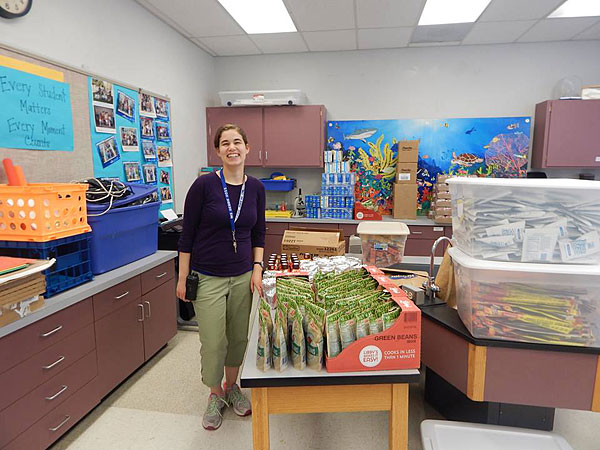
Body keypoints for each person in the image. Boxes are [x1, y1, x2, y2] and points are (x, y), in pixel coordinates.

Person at [177, 123, 266, 431]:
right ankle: (214, 393)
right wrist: (182, 277)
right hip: (208, 276)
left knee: (239, 336)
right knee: (214, 340)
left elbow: (259, 232)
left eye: (237, 141)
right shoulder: (203, 186)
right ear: (217, 151)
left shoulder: (256, 187)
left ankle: (232, 386)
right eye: (225, 143)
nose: (232, 147)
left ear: (247, 147)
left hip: (243, 275)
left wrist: (257, 267)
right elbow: (186, 235)